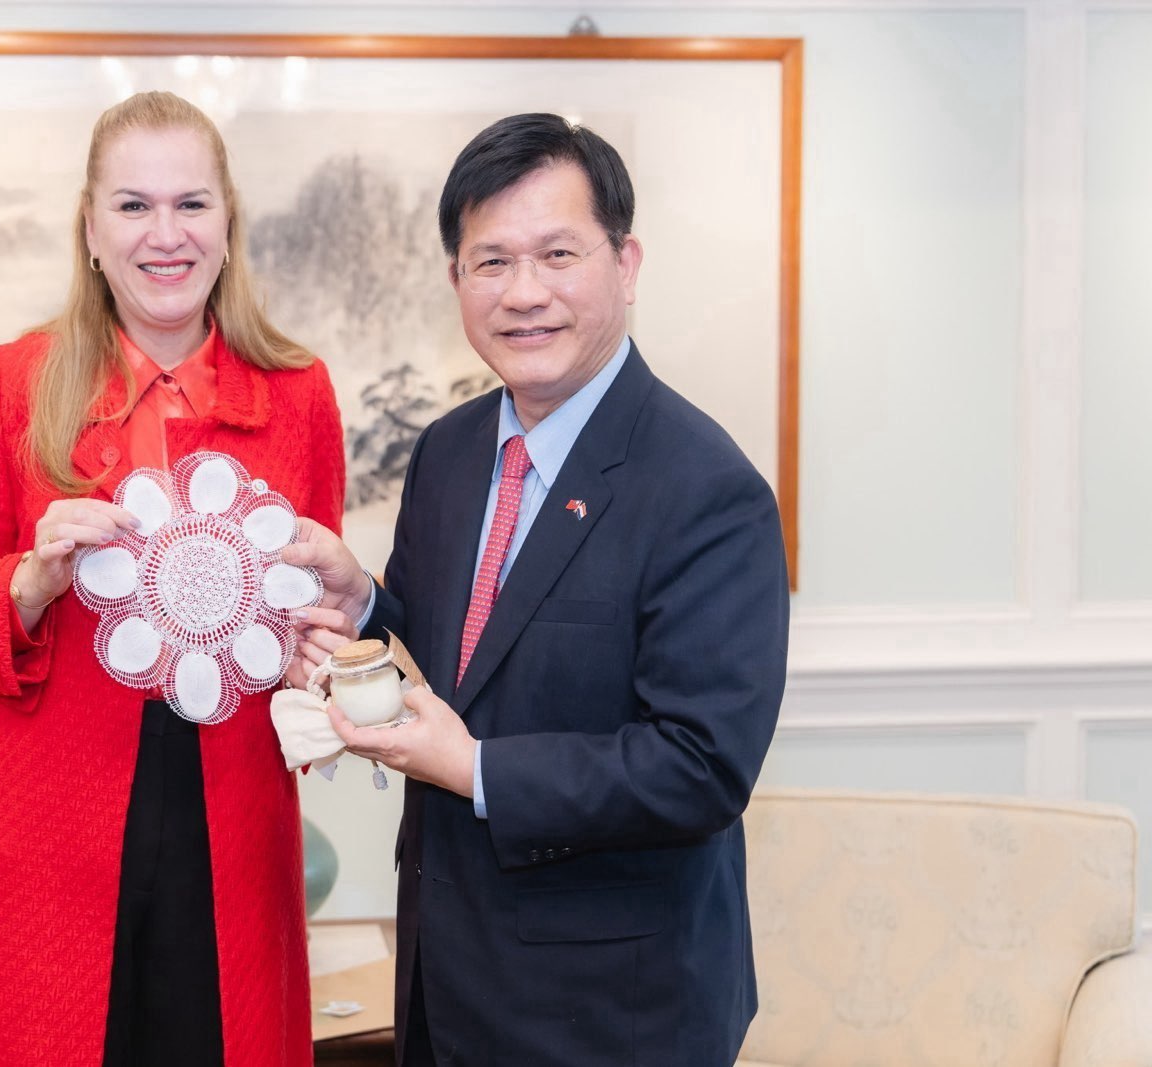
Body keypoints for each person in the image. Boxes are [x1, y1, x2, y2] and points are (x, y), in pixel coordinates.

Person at [284, 113, 789, 1065]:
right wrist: (365, 609)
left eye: (558, 254)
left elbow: (700, 766)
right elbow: (461, 660)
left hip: (616, 1011)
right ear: (457, 280)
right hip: (446, 979)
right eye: (492, 261)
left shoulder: (706, 488)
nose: (524, 293)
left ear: (625, 264)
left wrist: (475, 767)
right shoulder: (450, 451)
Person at [0, 90, 346, 1067]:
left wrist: (325, 646)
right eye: (134, 205)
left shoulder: (299, 395)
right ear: (91, 229)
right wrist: (31, 580)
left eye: (191, 203)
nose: (165, 233)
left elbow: (311, 614)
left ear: (228, 222)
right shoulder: (14, 382)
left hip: (232, 829)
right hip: (43, 833)